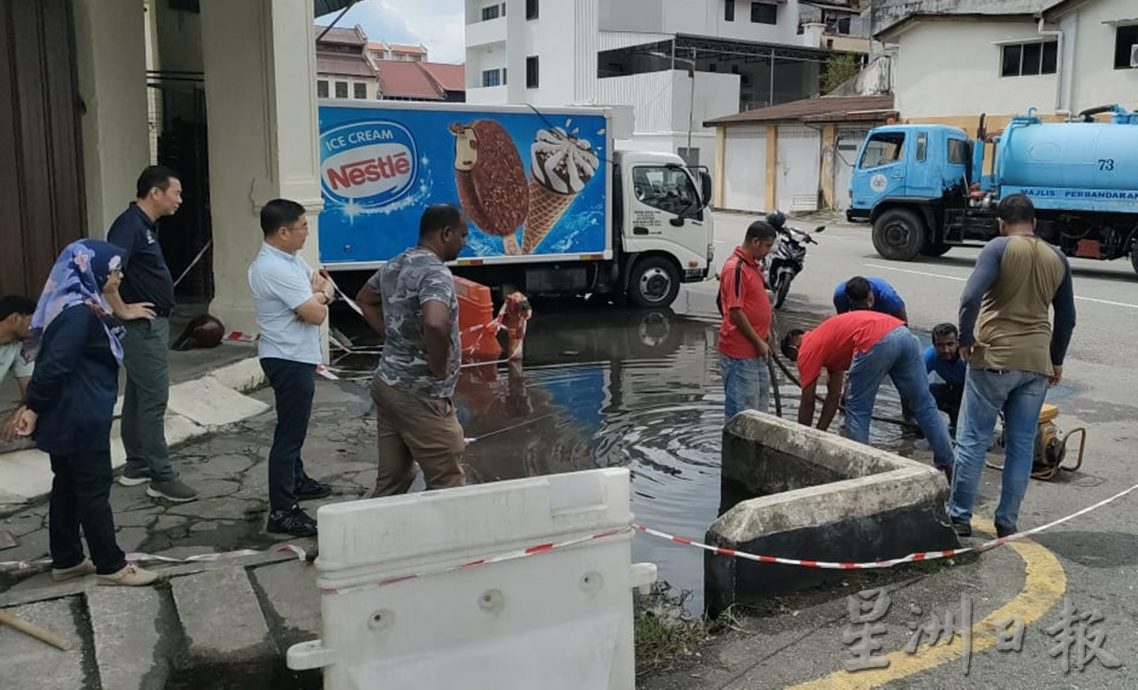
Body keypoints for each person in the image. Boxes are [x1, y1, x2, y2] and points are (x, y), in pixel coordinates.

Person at [12, 240, 158, 586]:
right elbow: (55, 365)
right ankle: (111, 565)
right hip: (79, 415)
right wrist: (33, 406)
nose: (119, 276)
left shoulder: (76, 303)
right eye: (114, 270)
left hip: (71, 412)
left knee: (67, 486)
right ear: (91, 269)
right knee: (93, 489)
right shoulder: (78, 311)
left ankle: (68, 560)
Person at [949, 194, 1075, 539]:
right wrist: (1057, 359)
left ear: (1001, 224)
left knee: (974, 439)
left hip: (994, 359)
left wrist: (964, 338)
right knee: (1020, 445)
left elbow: (971, 297)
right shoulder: (1058, 257)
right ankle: (1007, 521)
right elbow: (1067, 319)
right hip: (1036, 363)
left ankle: (959, 516)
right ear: (1033, 222)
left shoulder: (998, 248)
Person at [356, 204, 469, 497]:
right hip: (420, 394)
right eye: (462, 234)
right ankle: (451, 541)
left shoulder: (396, 263)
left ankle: (377, 538)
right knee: (449, 483)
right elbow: (435, 322)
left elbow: (365, 299)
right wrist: (439, 364)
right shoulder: (435, 273)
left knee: (393, 482)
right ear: (446, 233)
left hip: (388, 385)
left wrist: (391, 334)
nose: (464, 242)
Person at [107, 165, 198, 503]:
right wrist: (122, 308)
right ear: (155, 193)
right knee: (155, 398)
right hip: (140, 327)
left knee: (138, 395)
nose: (180, 200)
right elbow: (108, 271)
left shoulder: (145, 226)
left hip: (151, 324)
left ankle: (137, 464)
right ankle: (161, 476)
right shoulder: (129, 225)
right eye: (176, 193)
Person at [780, 310, 955, 480]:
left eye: (794, 360)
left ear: (793, 349)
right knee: (924, 404)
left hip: (874, 341)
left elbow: (808, 402)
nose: (799, 364)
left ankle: (859, 476)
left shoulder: (806, 349)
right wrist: (819, 435)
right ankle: (949, 466)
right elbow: (833, 398)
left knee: (857, 410)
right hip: (903, 335)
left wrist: (801, 442)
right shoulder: (828, 342)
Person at [248, 199, 335, 537]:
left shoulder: (290, 258)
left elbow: (315, 283)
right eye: (302, 226)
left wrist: (316, 294)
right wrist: (321, 297)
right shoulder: (274, 268)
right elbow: (315, 312)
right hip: (286, 357)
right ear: (283, 232)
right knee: (289, 434)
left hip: (297, 353)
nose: (306, 231)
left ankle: (296, 481)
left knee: (294, 428)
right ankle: (283, 510)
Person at [718, 220, 776, 421]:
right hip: (740, 354)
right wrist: (757, 341)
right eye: (767, 246)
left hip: (756, 350)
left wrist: (764, 335)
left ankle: (753, 451)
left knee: (759, 412)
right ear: (755, 241)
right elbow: (735, 311)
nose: (768, 251)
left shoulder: (753, 267)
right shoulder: (737, 268)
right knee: (742, 415)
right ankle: (735, 451)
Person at [0, 296, 37, 452]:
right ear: (15, 318)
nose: (36, 326)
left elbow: (30, 389)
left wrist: (21, 411)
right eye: (33, 321)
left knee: (40, 417)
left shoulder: (19, 346)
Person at [924, 323, 967, 433]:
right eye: (940, 345)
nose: (946, 350)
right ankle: (954, 414)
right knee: (926, 392)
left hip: (974, 394)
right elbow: (913, 381)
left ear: (958, 343)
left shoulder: (969, 355)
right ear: (934, 345)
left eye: (950, 344)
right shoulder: (930, 356)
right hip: (954, 391)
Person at [833, 276, 908, 322]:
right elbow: (843, 319)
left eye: (870, 300)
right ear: (851, 300)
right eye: (863, 304)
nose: (869, 305)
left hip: (882, 314)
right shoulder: (840, 296)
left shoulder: (887, 296)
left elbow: (902, 321)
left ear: (871, 290)